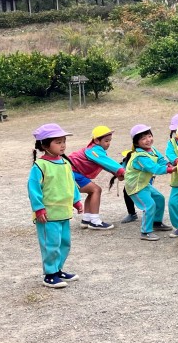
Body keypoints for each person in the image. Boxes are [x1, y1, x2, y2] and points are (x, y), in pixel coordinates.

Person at [28, 124, 83, 289]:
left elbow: (71, 184)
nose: (63, 145)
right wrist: (39, 209)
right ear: (45, 145)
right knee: (50, 244)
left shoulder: (65, 163)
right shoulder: (40, 166)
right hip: (48, 215)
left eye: (64, 141)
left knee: (64, 243)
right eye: (58, 142)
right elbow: (33, 188)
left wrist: (76, 201)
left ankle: (58, 269)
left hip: (63, 212)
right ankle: (50, 274)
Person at [123, 124, 176, 241]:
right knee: (149, 205)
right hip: (136, 187)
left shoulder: (152, 150)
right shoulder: (140, 156)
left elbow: (160, 160)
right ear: (136, 143)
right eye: (143, 138)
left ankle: (156, 222)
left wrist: (168, 164)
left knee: (159, 198)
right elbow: (154, 168)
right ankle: (145, 232)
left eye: (149, 136)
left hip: (144, 184)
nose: (148, 140)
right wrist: (170, 169)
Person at [67, 125, 124, 230]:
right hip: (71, 173)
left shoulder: (96, 150)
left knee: (92, 191)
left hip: (74, 173)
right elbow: (108, 162)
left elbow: (104, 164)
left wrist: (117, 174)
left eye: (110, 140)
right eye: (106, 141)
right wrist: (121, 171)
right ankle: (95, 221)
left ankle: (86, 219)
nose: (108, 143)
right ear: (97, 140)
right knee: (96, 190)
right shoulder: (93, 150)